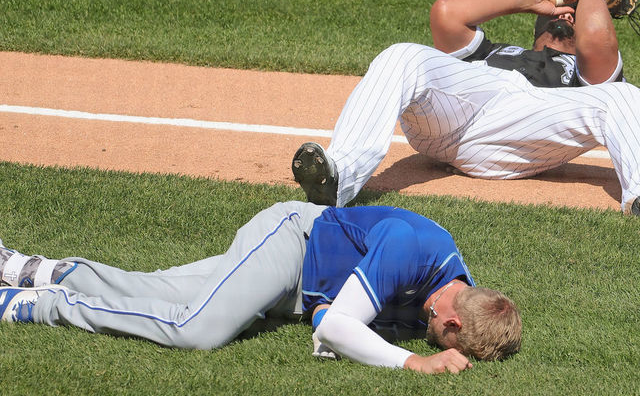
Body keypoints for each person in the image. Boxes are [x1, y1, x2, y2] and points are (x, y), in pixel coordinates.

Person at [291, 0, 640, 215]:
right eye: (565, 9)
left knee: (624, 96)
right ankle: (337, 179)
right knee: (403, 54)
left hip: (521, 134)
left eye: (576, 14)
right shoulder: (492, 52)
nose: (569, 15)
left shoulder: (584, 75)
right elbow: (446, 14)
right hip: (448, 125)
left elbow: (595, 41)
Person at [0, 201, 521, 374]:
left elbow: (325, 323)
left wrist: (333, 329)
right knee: (198, 329)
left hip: (300, 290)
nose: (435, 342)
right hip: (291, 244)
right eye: (444, 341)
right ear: (452, 320)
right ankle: (42, 306)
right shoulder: (412, 249)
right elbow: (339, 326)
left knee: (163, 292)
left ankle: (40, 271)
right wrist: (413, 362)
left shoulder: (455, 292)